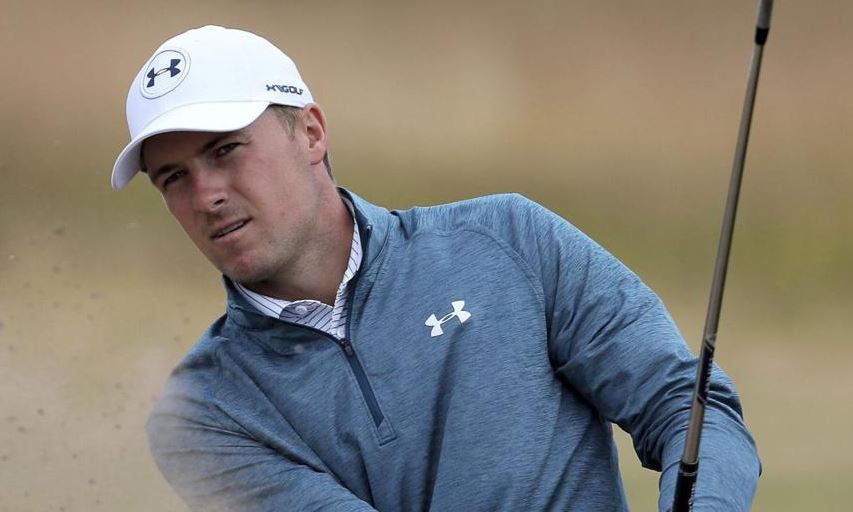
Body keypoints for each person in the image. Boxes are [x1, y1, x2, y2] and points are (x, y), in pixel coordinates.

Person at [112, 25, 760, 511]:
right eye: (174, 178)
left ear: (309, 132)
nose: (206, 195)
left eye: (225, 150)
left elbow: (685, 406)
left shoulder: (508, 239)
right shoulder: (202, 415)